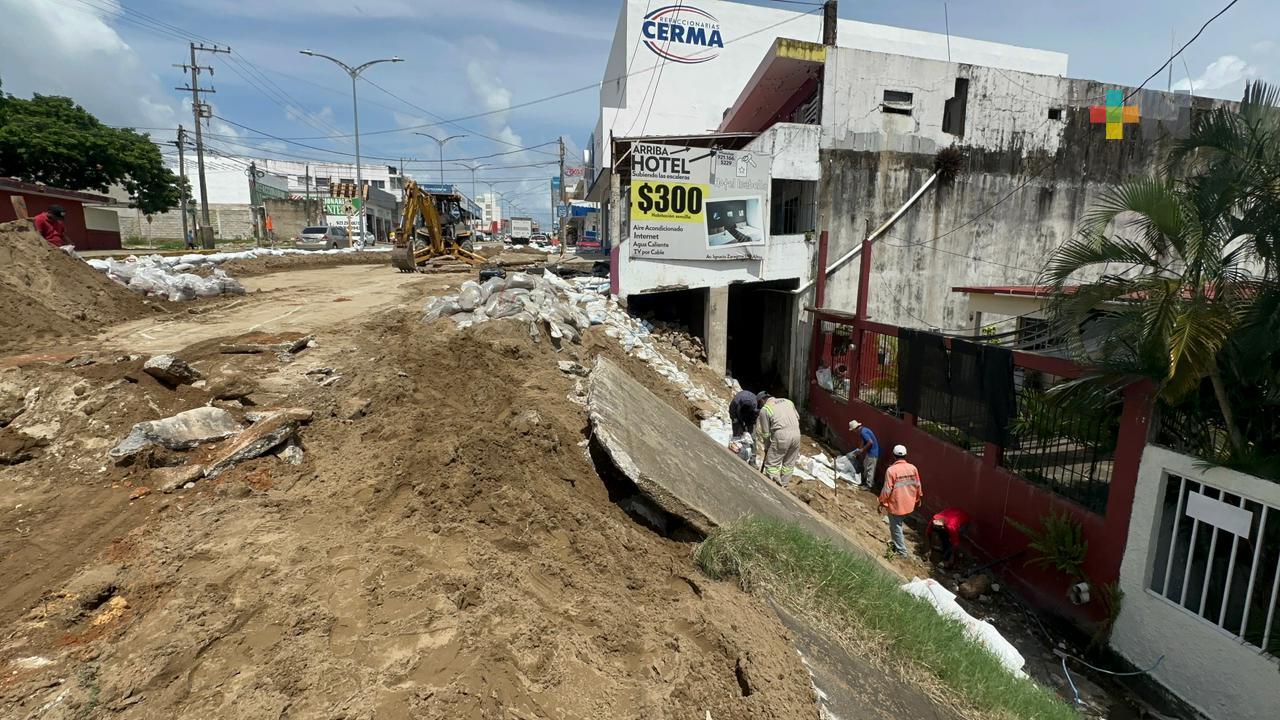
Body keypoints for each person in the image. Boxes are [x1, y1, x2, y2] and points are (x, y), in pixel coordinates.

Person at [879, 444, 923, 558]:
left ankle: (902, 552)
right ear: (906, 455)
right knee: (897, 525)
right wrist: (919, 497)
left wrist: (881, 501)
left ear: (894, 456)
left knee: (896, 527)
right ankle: (895, 543)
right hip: (909, 503)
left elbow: (887, 489)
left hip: (897, 505)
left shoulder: (891, 470)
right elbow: (918, 484)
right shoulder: (913, 468)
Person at [758, 392, 801, 487]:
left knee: (772, 464)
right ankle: (784, 485)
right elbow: (797, 417)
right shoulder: (788, 401)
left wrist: (767, 447)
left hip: (782, 434)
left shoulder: (765, 409)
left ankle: (773, 485)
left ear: (762, 401)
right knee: (789, 463)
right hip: (797, 434)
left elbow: (766, 433)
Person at [846, 419, 880, 490]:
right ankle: (866, 482)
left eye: (853, 430)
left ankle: (869, 485)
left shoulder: (863, 432)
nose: (853, 432)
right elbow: (863, 441)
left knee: (870, 468)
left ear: (855, 429)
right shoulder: (863, 430)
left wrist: (862, 450)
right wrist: (859, 449)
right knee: (865, 465)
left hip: (872, 453)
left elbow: (870, 442)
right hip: (870, 452)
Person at [727, 389, 759, 464]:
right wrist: (736, 421)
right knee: (737, 434)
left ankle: (752, 460)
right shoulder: (735, 402)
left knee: (752, 437)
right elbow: (732, 413)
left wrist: (747, 428)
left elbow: (754, 419)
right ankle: (735, 451)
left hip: (750, 417)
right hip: (737, 415)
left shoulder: (755, 406)